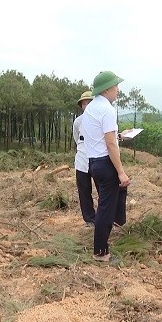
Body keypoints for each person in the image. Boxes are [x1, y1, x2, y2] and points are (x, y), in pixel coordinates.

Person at [81, 71, 129, 262]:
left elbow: (98, 137)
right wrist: (121, 172)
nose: (118, 89)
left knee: (106, 204)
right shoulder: (107, 110)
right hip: (105, 162)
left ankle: (115, 225)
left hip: (93, 163)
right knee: (105, 209)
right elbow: (110, 143)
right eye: (116, 86)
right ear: (108, 88)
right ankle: (101, 252)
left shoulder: (90, 109)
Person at [73, 90, 96, 227]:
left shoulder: (99, 119)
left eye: (89, 103)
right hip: (82, 161)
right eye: (84, 103)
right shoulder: (78, 122)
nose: (86, 106)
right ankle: (89, 219)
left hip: (98, 159)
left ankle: (105, 217)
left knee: (102, 189)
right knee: (84, 190)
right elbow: (77, 139)